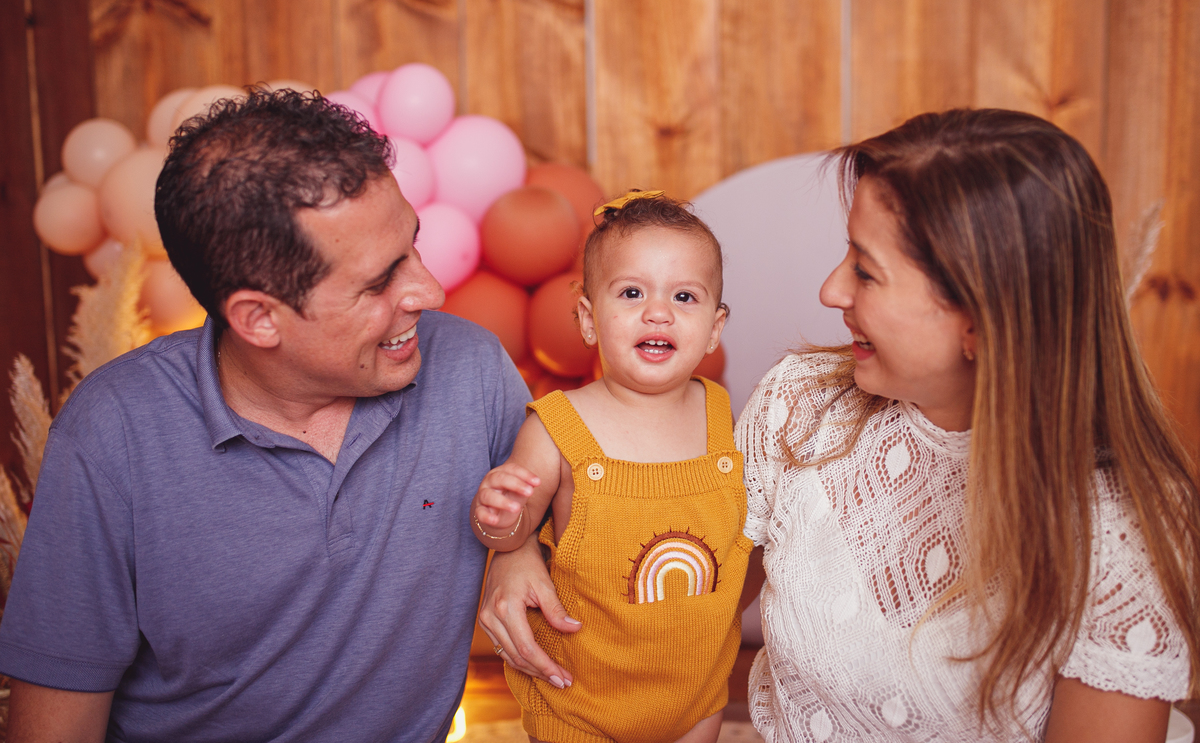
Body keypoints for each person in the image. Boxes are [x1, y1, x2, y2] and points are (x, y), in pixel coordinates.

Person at [480, 109, 1200, 741]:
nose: (829, 290)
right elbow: (685, 582)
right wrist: (516, 551)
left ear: (981, 321)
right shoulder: (803, 406)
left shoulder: (1122, 531)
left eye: (866, 269)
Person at [0, 90, 530, 742]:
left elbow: (595, 531)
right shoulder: (115, 432)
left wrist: (519, 551)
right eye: (379, 281)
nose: (431, 290)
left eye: (413, 248)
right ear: (258, 319)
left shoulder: (470, 371)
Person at [471, 191, 752, 743]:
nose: (658, 312)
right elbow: (507, 532)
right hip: (579, 701)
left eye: (685, 297)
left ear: (715, 329)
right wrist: (499, 515)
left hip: (694, 697)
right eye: (631, 292)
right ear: (589, 318)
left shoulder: (724, 419)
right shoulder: (557, 425)